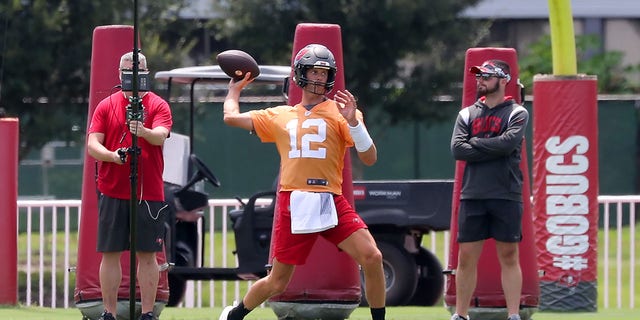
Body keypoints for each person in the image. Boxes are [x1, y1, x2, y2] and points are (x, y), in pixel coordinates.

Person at [218, 43, 386, 320]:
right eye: (314, 71)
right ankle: (235, 314)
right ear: (300, 73)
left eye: (324, 72)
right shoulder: (280, 115)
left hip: (330, 198)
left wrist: (354, 123)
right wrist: (234, 90)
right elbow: (230, 118)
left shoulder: (344, 112)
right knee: (278, 281)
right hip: (294, 200)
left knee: (373, 257)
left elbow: (370, 158)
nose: (320, 78)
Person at [87, 51, 173, 320]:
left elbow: (160, 136)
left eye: (137, 71)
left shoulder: (158, 105)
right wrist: (113, 156)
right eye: (127, 71)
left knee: (148, 254)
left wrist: (143, 131)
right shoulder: (106, 105)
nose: (132, 76)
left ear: (145, 73)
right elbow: (92, 144)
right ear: (119, 73)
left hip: (148, 192)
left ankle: (147, 313)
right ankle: (109, 313)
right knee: (110, 252)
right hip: (113, 189)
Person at [449, 60, 529, 320]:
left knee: (509, 254)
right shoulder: (466, 114)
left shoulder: (517, 113)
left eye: (486, 76)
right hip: (473, 194)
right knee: (466, 258)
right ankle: (461, 315)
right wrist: (490, 146)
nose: (480, 80)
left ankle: (514, 314)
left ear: (503, 79)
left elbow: (508, 144)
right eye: (478, 76)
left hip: (506, 193)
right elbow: (457, 149)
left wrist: (476, 143)